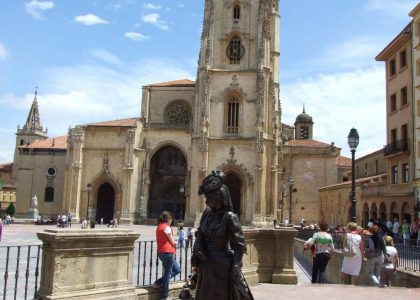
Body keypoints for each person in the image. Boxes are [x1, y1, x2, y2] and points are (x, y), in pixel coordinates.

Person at [192, 169, 253, 300]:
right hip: (206, 265)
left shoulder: (230, 218)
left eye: (209, 198)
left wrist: (236, 267)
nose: (206, 202)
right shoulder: (207, 214)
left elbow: (239, 246)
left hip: (222, 267)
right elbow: (200, 233)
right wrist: (197, 249)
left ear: (218, 198)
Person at [154, 211, 180, 300]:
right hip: (168, 252)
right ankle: (164, 296)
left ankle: (158, 282)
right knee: (167, 274)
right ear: (168, 219)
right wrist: (179, 241)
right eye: (171, 219)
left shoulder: (159, 227)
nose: (171, 221)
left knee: (177, 270)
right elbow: (172, 242)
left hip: (161, 252)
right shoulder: (167, 228)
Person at [365, 221, 386, 287]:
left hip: (373, 256)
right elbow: (384, 248)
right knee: (377, 273)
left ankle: (376, 283)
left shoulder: (371, 238)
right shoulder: (382, 238)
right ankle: (377, 286)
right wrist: (385, 255)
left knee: (370, 273)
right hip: (380, 256)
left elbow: (370, 248)